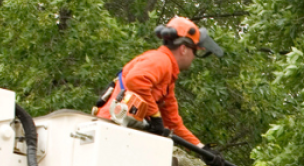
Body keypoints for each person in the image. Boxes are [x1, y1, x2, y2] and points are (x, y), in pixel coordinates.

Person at [95, 16, 223, 150]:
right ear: (183, 49)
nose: (193, 57)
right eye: (194, 51)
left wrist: (202, 149)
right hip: (110, 129)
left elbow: (173, 124)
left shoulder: (168, 79)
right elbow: (135, 80)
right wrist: (155, 116)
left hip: (120, 133)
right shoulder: (161, 60)